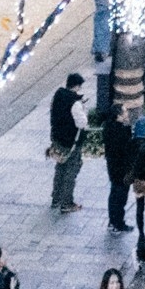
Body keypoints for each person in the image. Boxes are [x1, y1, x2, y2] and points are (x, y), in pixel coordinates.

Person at [48, 74, 86, 213]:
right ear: (76, 86)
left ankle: (56, 198)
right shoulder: (75, 102)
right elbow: (82, 123)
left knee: (60, 168)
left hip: (57, 139)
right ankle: (66, 203)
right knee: (71, 171)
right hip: (71, 142)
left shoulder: (58, 95)